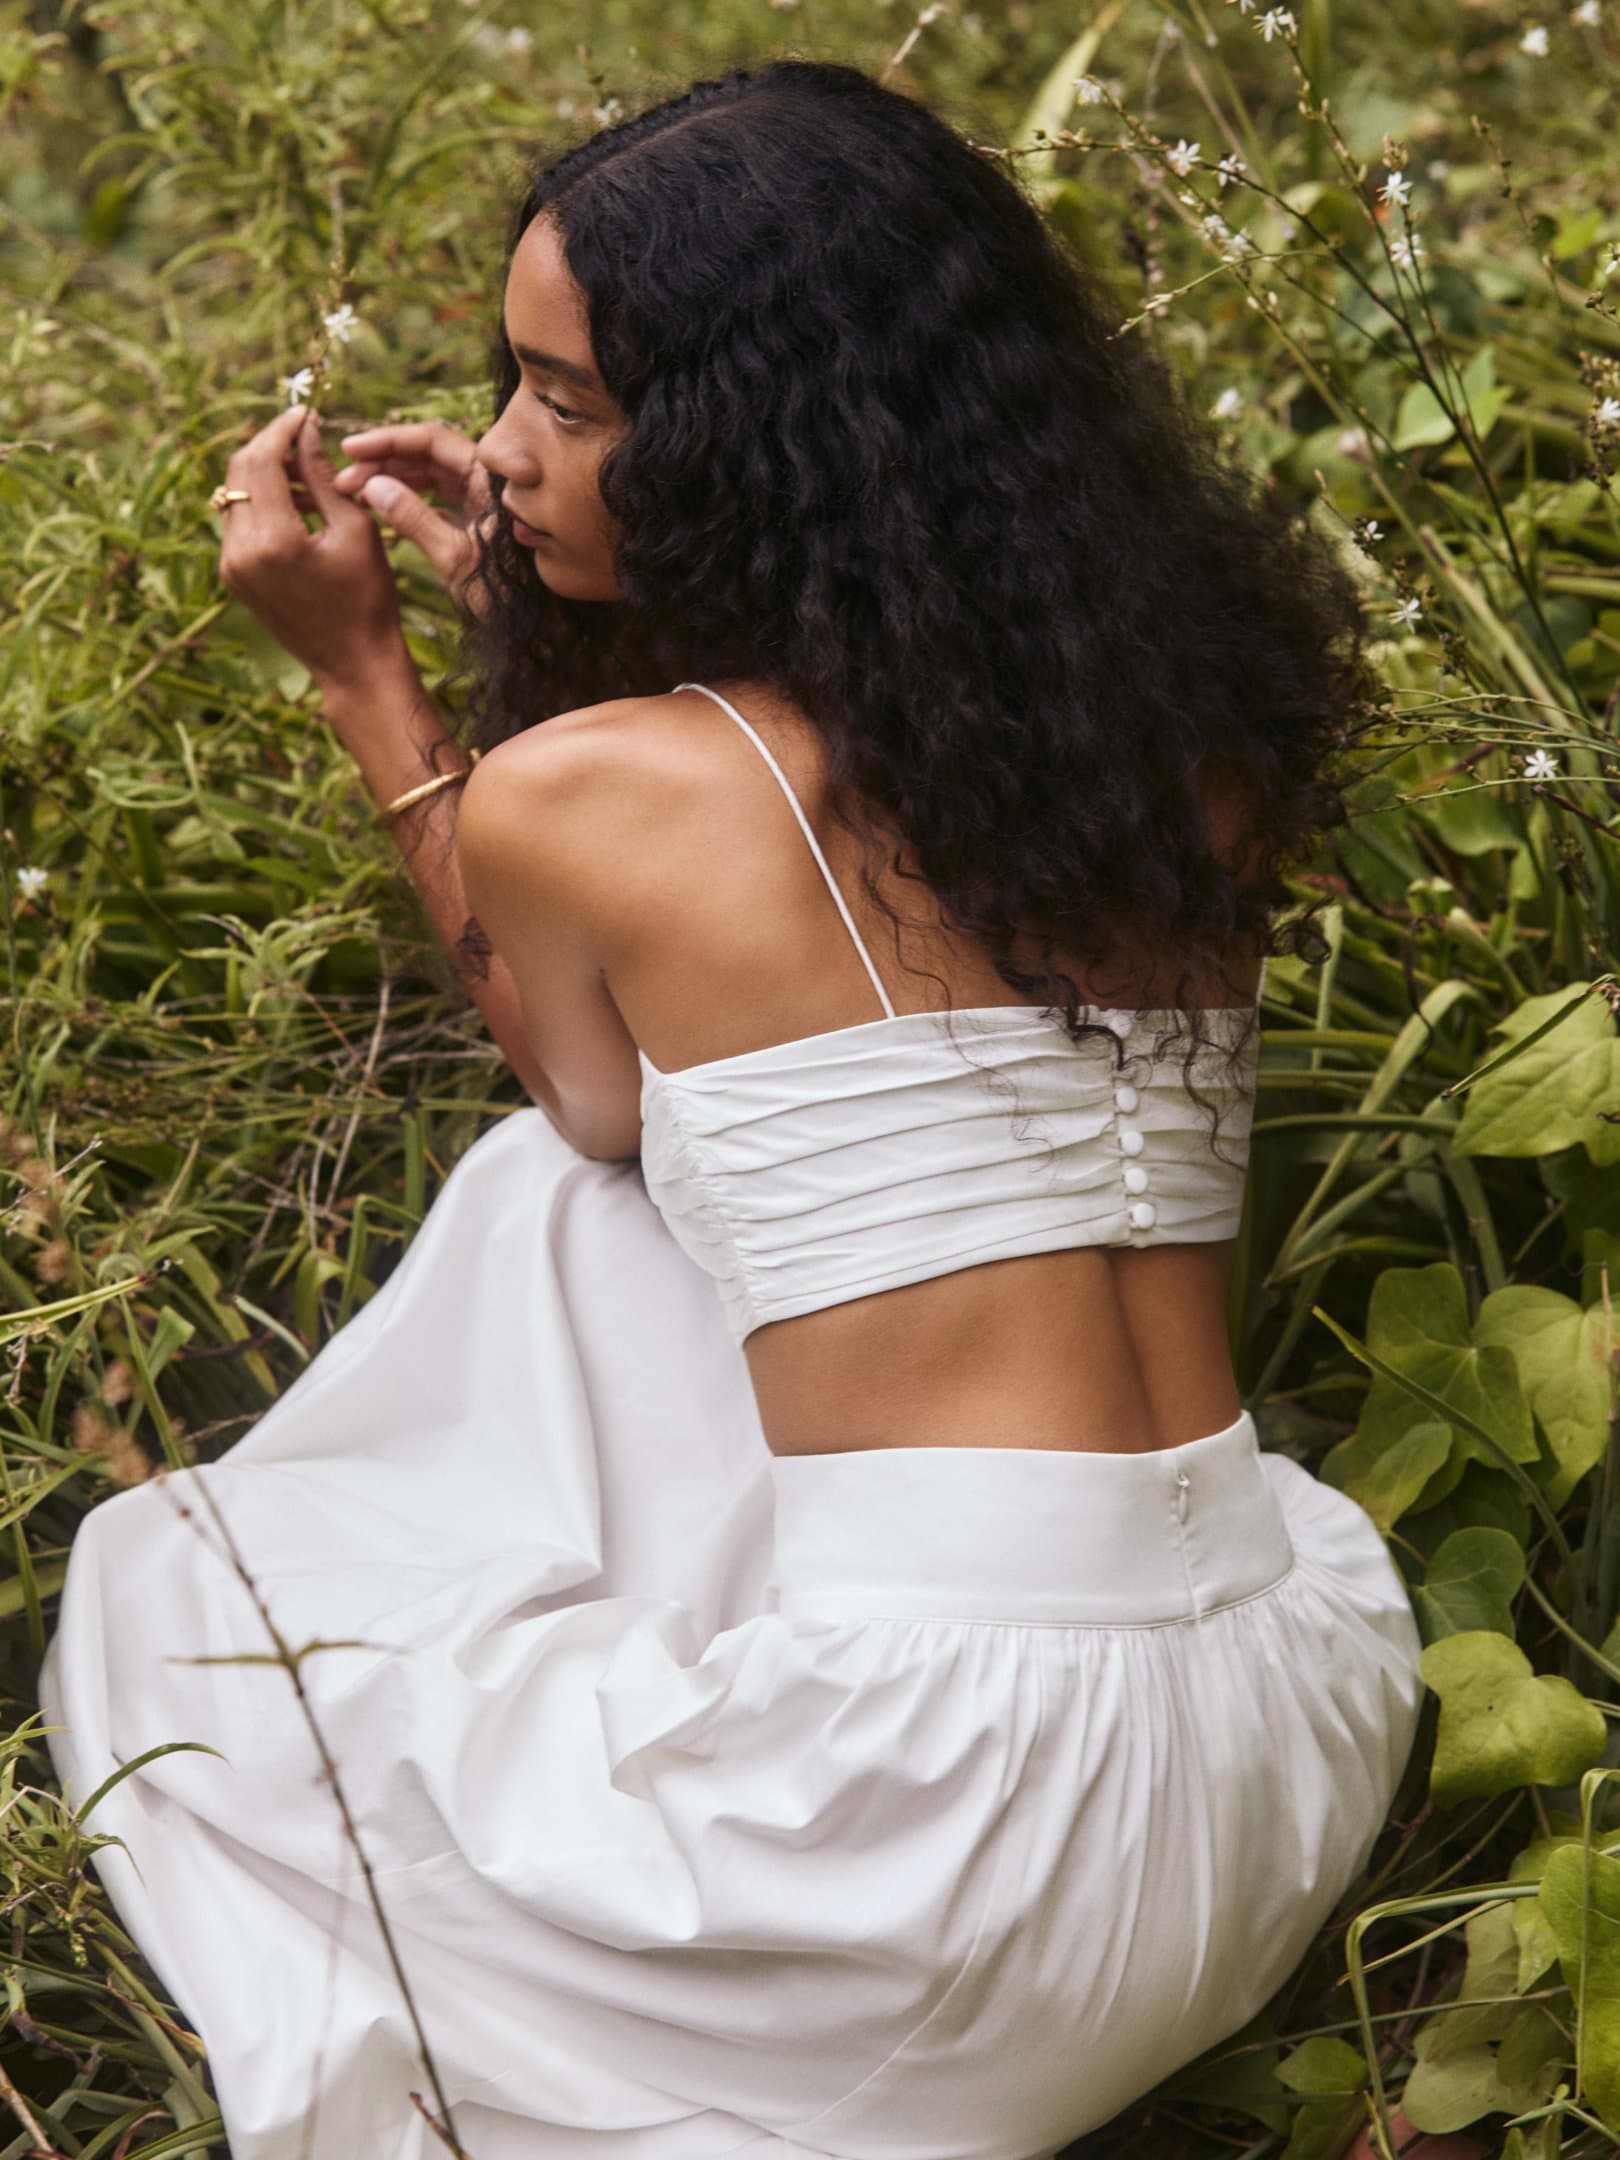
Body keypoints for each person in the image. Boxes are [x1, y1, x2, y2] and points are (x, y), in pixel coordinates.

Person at [37, 56, 1428, 2160]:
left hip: (941, 1856)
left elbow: (584, 1079)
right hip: (1275, 1732)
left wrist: (372, 678)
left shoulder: (597, 797)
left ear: (756, 447)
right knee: (646, 1207)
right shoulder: (1178, 731)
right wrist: (552, 588)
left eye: (568, 405)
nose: (504, 453)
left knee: (176, 1595)